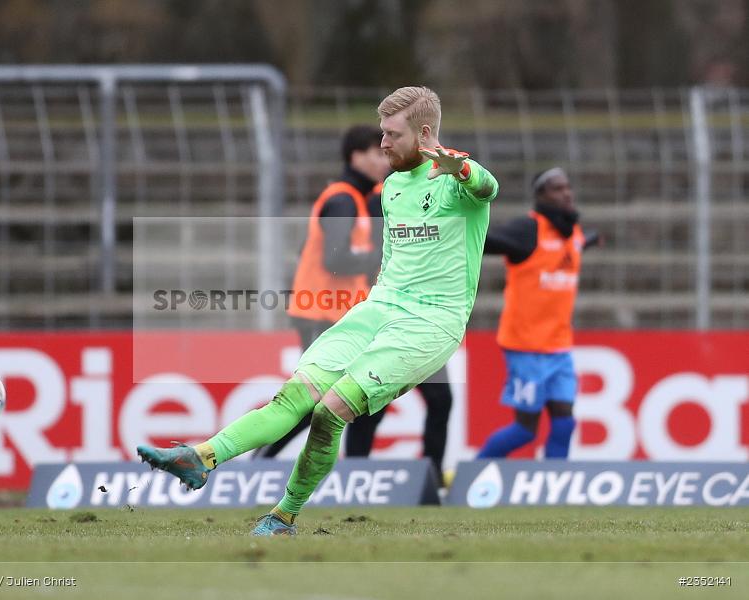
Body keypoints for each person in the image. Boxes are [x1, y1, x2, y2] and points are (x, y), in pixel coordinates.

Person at [138, 86, 498, 536]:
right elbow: (393, 257)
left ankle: (284, 515)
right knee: (294, 397)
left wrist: (459, 167)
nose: (382, 144)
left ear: (424, 134)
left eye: (391, 134)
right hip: (380, 306)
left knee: (331, 411)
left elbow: (487, 186)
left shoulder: (455, 178)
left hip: (431, 321)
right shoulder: (390, 187)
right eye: (381, 135)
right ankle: (201, 458)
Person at [255, 125, 455, 480]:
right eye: (376, 153)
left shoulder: (369, 197)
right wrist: (384, 258)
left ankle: (401, 477)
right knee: (317, 401)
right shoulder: (342, 199)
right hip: (322, 313)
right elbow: (335, 260)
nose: (384, 159)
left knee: (383, 399)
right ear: (355, 156)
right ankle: (258, 465)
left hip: (352, 311)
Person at [476, 167, 600, 460]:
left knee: (565, 422)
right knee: (525, 430)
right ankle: (473, 474)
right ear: (541, 195)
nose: (566, 193)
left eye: (567, 187)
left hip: (559, 348)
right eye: (557, 188)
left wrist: (594, 239)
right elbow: (489, 240)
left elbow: (578, 245)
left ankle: (554, 491)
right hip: (526, 348)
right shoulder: (528, 230)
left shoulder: (573, 233)